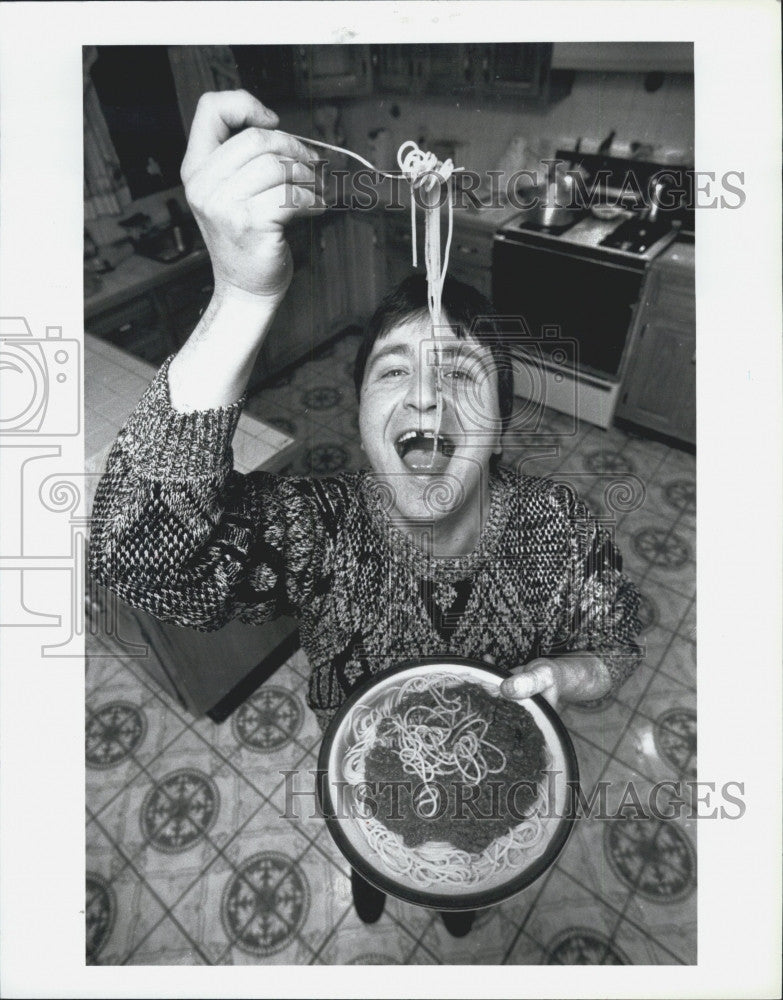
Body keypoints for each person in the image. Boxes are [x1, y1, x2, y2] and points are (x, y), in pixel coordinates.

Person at [89, 91, 642, 938]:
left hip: (492, 794)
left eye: (460, 372)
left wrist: (575, 676)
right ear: (357, 419)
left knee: (464, 891)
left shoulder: (557, 530)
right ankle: (373, 886)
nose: (424, 390)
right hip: (361, 780)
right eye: (391, 373)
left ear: (497, 420)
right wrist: (238, 297)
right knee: (372, 862)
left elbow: (614, 644)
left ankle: (459, 909)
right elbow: (139, 559)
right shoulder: (318, 529)